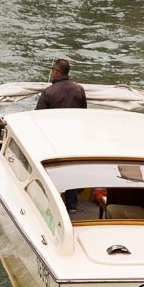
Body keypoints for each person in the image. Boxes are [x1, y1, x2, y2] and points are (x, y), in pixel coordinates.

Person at [36, 59, 87, 211]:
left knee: (50, 170)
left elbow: (37, 117)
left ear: (56, 72)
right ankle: (71, 205)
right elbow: (85, 113)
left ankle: (50, 205)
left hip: (53, 138)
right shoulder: (79, 89)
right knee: (69, 169)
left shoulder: (48, 92)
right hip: (73, 137)